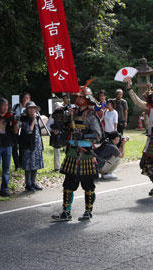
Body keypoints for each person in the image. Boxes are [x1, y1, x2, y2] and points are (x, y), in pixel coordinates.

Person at [51, 87, 103, 221]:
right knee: (68, 184)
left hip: (86, 153)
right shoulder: (71, 113)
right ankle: (66, 212)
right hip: (73, 153)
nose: (78, 99)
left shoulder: (91, 115)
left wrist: (83, 135)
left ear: (87, 100)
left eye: (81, 97)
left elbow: (98, 135)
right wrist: (64, 112)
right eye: (77, 97)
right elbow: (57, 119)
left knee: (88, 185)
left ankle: (88, 211)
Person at [0, 98, 18, 197]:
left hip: (8, 145)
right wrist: (5, 118)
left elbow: (15, 132)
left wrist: (14, 122)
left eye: (6, 105)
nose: (5, 108)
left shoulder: (10, 116)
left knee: (6, 169)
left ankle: (4, 189)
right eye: (3, 105)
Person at [18, 102, 45, 192]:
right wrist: (33, 120)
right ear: (27, 110)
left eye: (34, 108)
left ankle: (33, 182)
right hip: (28, 145)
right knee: (28, 166)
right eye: (30, 108)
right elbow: (29, 130)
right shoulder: (24, 119)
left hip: (37, 145)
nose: (32, 110)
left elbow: (38, 132)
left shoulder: (37, 118)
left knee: (35, 165)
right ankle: (28, 184)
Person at [48, 99, 70, 171]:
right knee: (56, 151)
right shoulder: (52, 116)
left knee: (67, 150)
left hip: (64, 134)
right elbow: (47, 126)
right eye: (58, 107)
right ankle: (57, 167)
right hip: (56, 135)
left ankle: (68, 165)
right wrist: (52, 130)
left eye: (60, 107)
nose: (60, 108)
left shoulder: (65, 114)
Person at [11, 92, 31, 169]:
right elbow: (12, 115)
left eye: (28, 98)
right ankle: (17, 165)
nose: (26, 99)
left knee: (23, 147)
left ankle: (22, 163)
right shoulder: (16, 106)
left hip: (24, 130)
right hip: (15, 129)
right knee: (14, 147)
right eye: (25, 98)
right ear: (22, 98)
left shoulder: (30, 107)